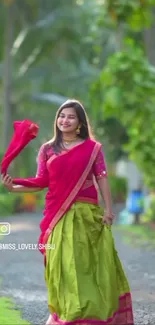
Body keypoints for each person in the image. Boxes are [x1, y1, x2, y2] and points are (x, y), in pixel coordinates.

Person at [1, 99, 134, 325]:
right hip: (58, 217)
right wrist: (14, 187)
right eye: (62, 116)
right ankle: (63, 313)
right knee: (60, 267)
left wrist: (109, 210)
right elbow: (42, 181)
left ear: (80, 122)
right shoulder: (47, 149)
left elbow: (102, 178)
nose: (65, 120)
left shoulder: (93, 149)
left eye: (71, 117)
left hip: (86, 215)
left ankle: (93, 314)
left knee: (88, 267)